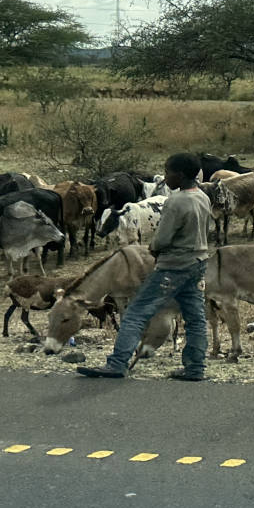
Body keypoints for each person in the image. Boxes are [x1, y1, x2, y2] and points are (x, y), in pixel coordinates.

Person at [76, 153, 212, 381]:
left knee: (136, 313)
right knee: (195, 318)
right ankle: (195, 367)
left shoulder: (175, 201)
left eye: (168, 172)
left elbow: (162, 239)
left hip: (173, 266)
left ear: (180, 174)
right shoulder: (202, 197)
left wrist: (153, 249)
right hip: (197, 263)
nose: (165, 177)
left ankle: (117, 363)